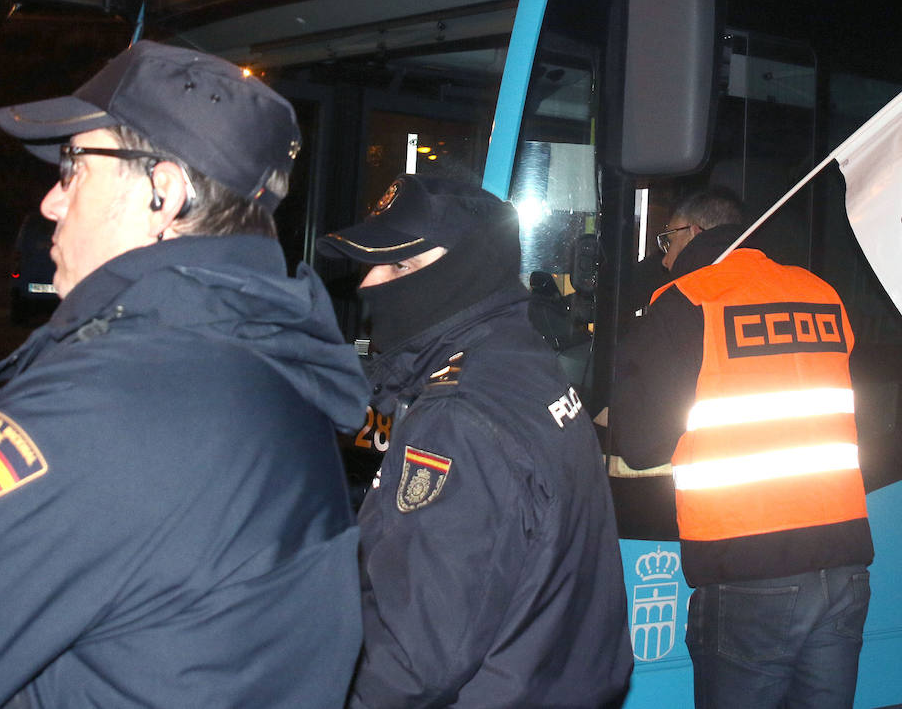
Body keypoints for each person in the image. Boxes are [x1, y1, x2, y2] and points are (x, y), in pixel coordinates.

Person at [0, 41, 371, 708]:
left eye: (73, 169)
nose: (52, 204)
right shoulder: (263, 363)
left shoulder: (119, 405)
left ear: (162, 194)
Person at [317, 174, 633, 708]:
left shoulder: (458, 419)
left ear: (460, 273)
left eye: (399, 265)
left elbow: (408, 659)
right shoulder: (521, 363)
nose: (369, 284)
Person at [609, 188, 872, 709]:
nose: (663, 256)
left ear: (695, 234)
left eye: (667, 239)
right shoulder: (821, 294)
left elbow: (638, 445)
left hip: (750, 569)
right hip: (843, 566)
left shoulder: (687, 302)